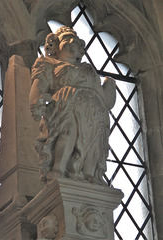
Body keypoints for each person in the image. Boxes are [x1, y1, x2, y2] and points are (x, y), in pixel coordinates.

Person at [29, 26, 116, 184]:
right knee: (68, 133)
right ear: (56, 47)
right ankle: (59, 170)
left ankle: (90, 175)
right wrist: (37, 101)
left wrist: (109, 87)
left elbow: (105, 99)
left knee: (93, 143)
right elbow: (39, 86)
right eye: (66, 40)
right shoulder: (49, 65)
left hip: (94, 111)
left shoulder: (88, 69)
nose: (71, 42)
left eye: (75, 41)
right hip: (65, 106)